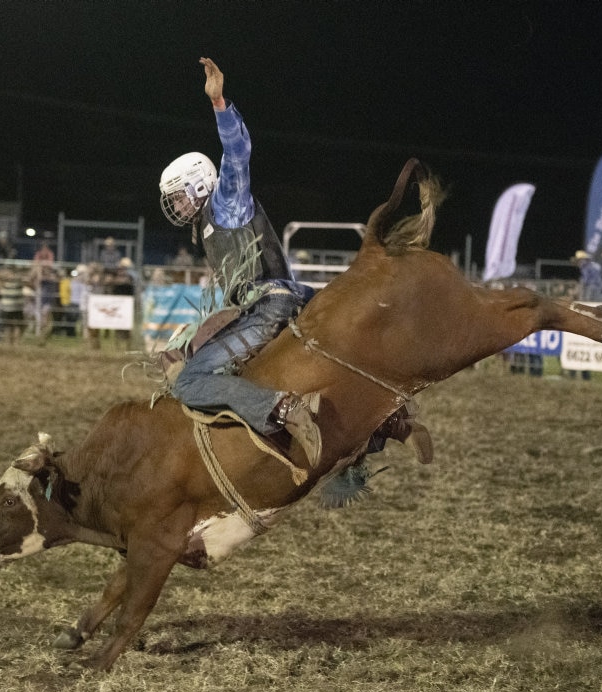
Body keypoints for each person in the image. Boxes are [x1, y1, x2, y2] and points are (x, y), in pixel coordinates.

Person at [159, 57, 428, 470]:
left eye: (178, 195)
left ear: (199, 183)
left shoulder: (226, 204)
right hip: (296, 297)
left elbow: (237, 152)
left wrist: (219, 103)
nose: (176, 205)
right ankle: (391, 421)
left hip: (267, 307)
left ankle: (282, 410)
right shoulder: (212, 223)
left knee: (191, 382)